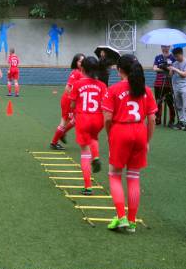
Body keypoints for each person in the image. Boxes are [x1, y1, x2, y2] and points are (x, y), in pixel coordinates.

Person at [102, 54, 157, 233]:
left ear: (119, 70)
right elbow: (152, 118)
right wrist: (147, 140)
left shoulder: (114, 89)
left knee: (114, 174)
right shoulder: (146, 90)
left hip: (121, 130)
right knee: (133, 176)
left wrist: (110, 135)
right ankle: (132, 222)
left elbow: (108, 118)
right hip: (139, 131)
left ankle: (121, 217)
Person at [68, 56, 107, 195]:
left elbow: (72, 104)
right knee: (93, 138)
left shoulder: (78, 84)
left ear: (82, 68)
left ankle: (88, 186)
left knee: (85, 152)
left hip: (83, 118)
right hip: (98, 118)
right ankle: (96, 157)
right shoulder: (102, 85)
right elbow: (104, 104)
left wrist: (73, 109)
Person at [49, 53, 85, 150]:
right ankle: (54, 142)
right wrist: (73, 99)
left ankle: (62, 133)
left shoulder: (82, 72)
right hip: (68, 101)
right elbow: (68, 88)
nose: (82, 63)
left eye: (83, 61)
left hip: (72, 101)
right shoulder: (76, 72)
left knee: (75, 120)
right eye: (80, 61)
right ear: (76, 62)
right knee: (64, 121)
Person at [152, 45, 176, 126]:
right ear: (161, 47)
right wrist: (165, 68)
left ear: (169, 47)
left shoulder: (173, 57)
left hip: (169, 83)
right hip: (158, 83)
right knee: (158, 101)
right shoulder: (157, 57)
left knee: (170, 102)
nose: (164, 48)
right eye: (163, 46)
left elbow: (173, 70)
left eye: (166, 46)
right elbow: (154, 68)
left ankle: (172, 120)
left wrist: (166, 69)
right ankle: (157, 119)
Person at [169, 47, 186, 130]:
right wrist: (170, 69)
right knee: (178, 106)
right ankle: (181, 122)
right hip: (175, 86)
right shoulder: (174, 63)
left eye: (177, 56)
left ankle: (185, 122)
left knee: (185, 105)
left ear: (181, 54)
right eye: (175, 56)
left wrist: (175, 69)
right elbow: (170, 75)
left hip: (184, 86)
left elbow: (184, 74)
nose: (176, 58)